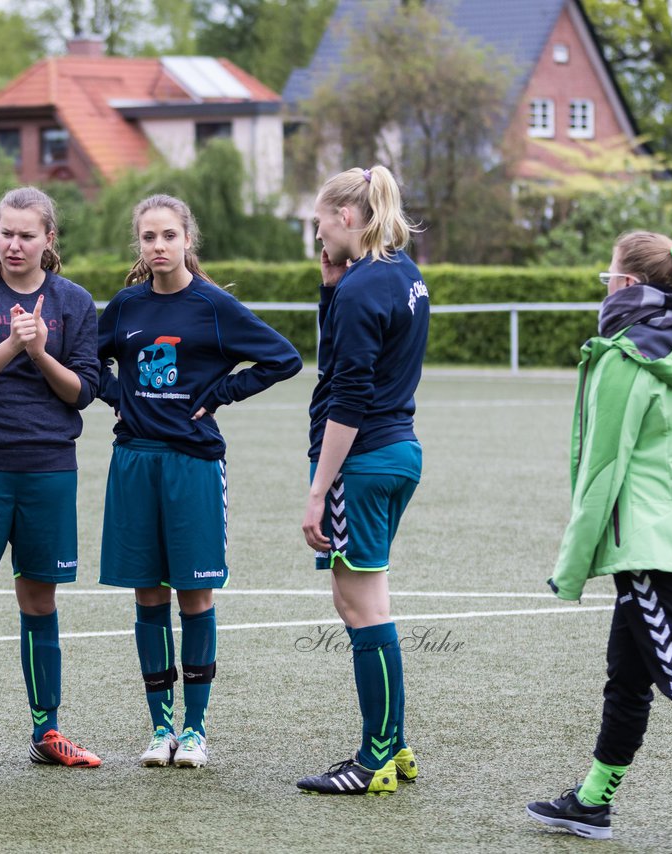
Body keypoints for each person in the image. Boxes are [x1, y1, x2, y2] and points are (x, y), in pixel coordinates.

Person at [98, 193, 302, 769]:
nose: (158, 246)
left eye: (168, 236)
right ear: (138, 244)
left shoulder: (213, 306)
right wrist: (121, 396)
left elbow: (282, 359)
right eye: (148, 237)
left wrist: (220, 393)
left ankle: (194, 730)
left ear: (188, 239)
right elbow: (91, 364)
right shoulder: (125, 306)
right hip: (135, 459)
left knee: (196, 594)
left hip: (193, 464)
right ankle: (159, 727)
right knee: (147, 593)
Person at [526, 232, 672, 845]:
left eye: (608, 275)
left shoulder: (624, 355)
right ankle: (591, 803)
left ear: (626, 286)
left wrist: (572, 567)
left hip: (653, 547)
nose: (605, 285)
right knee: (628, 677)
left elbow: (603, 468)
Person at [0, 186, 102, 772]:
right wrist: (10, 342)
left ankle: (47, 730)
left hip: (48, 468)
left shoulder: (74, 301)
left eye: (26, 234)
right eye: (5, 232)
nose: (13, 244)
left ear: (48, 240)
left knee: (40, 599)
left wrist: (39, 353)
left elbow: (84, 391)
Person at [295, 165, 428, 796]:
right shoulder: (403, 273)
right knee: (367, 599)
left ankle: (374, 757)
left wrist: (320, 490)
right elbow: (348, 354)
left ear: (347, 217)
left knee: (360, 606)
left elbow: (348, 395)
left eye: (320, 221)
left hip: (364, 461)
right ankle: (394, 745)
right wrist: (329, 288)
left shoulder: (361, 289)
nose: (318, 233)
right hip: (400, 451)